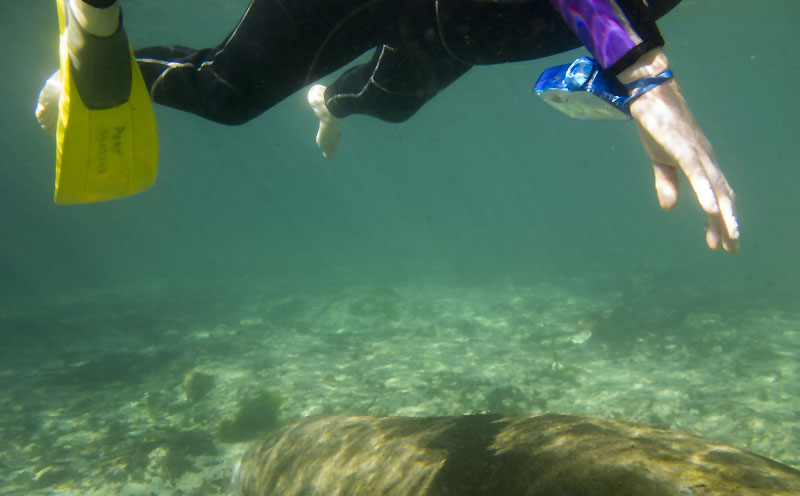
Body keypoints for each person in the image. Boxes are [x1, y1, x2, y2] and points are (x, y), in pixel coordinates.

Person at [38, 0, 739, 253]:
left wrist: (628, 73)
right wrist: (642, 71)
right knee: (229, 92)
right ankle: (102, 44)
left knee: (391, 103)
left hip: (453, 28)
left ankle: (329, 104)